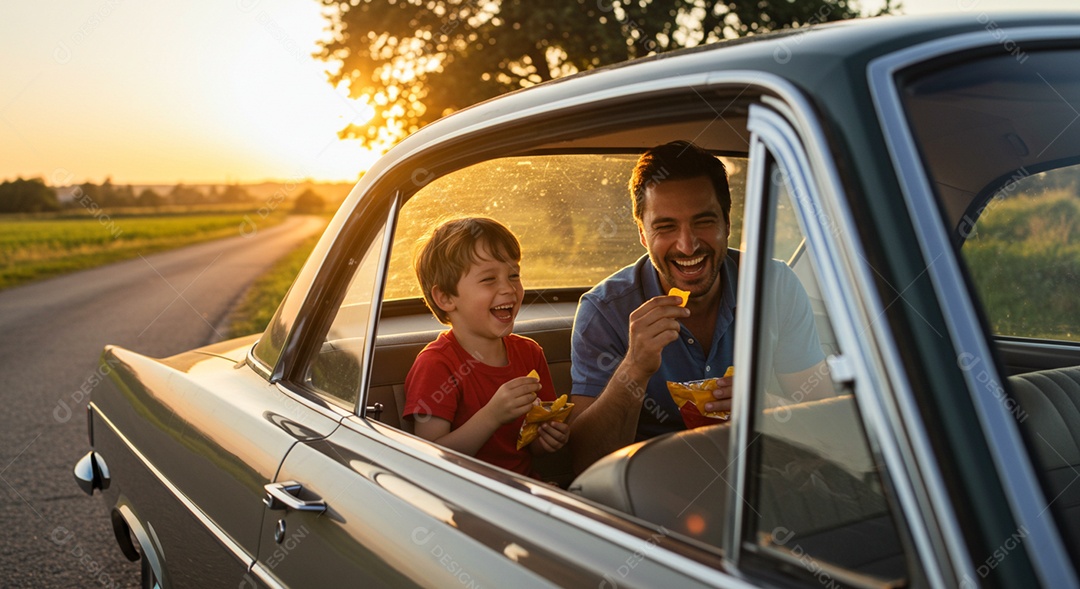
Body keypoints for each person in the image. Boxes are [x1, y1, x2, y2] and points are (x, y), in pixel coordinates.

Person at [568, 141, 829, 472]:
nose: (687, 245)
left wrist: (768, 409)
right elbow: (585, 463)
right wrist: (634, 368)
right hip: (656, 492)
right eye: (665, 227)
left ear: (727, 224)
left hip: (763, 481)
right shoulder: (603, 312)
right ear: (643, 235)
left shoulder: (775, 286)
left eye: (703, 221)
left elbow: (827, 424)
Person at [402, 217, 569, 477]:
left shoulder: (530, 353)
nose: (509, 289)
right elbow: (431, 459)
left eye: (514, 275)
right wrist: (491, 416)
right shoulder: (436, 364)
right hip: (468, 499)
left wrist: (547, 439)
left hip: (525, 490)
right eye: (489, 279)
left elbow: (531, 443)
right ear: (445, 297)